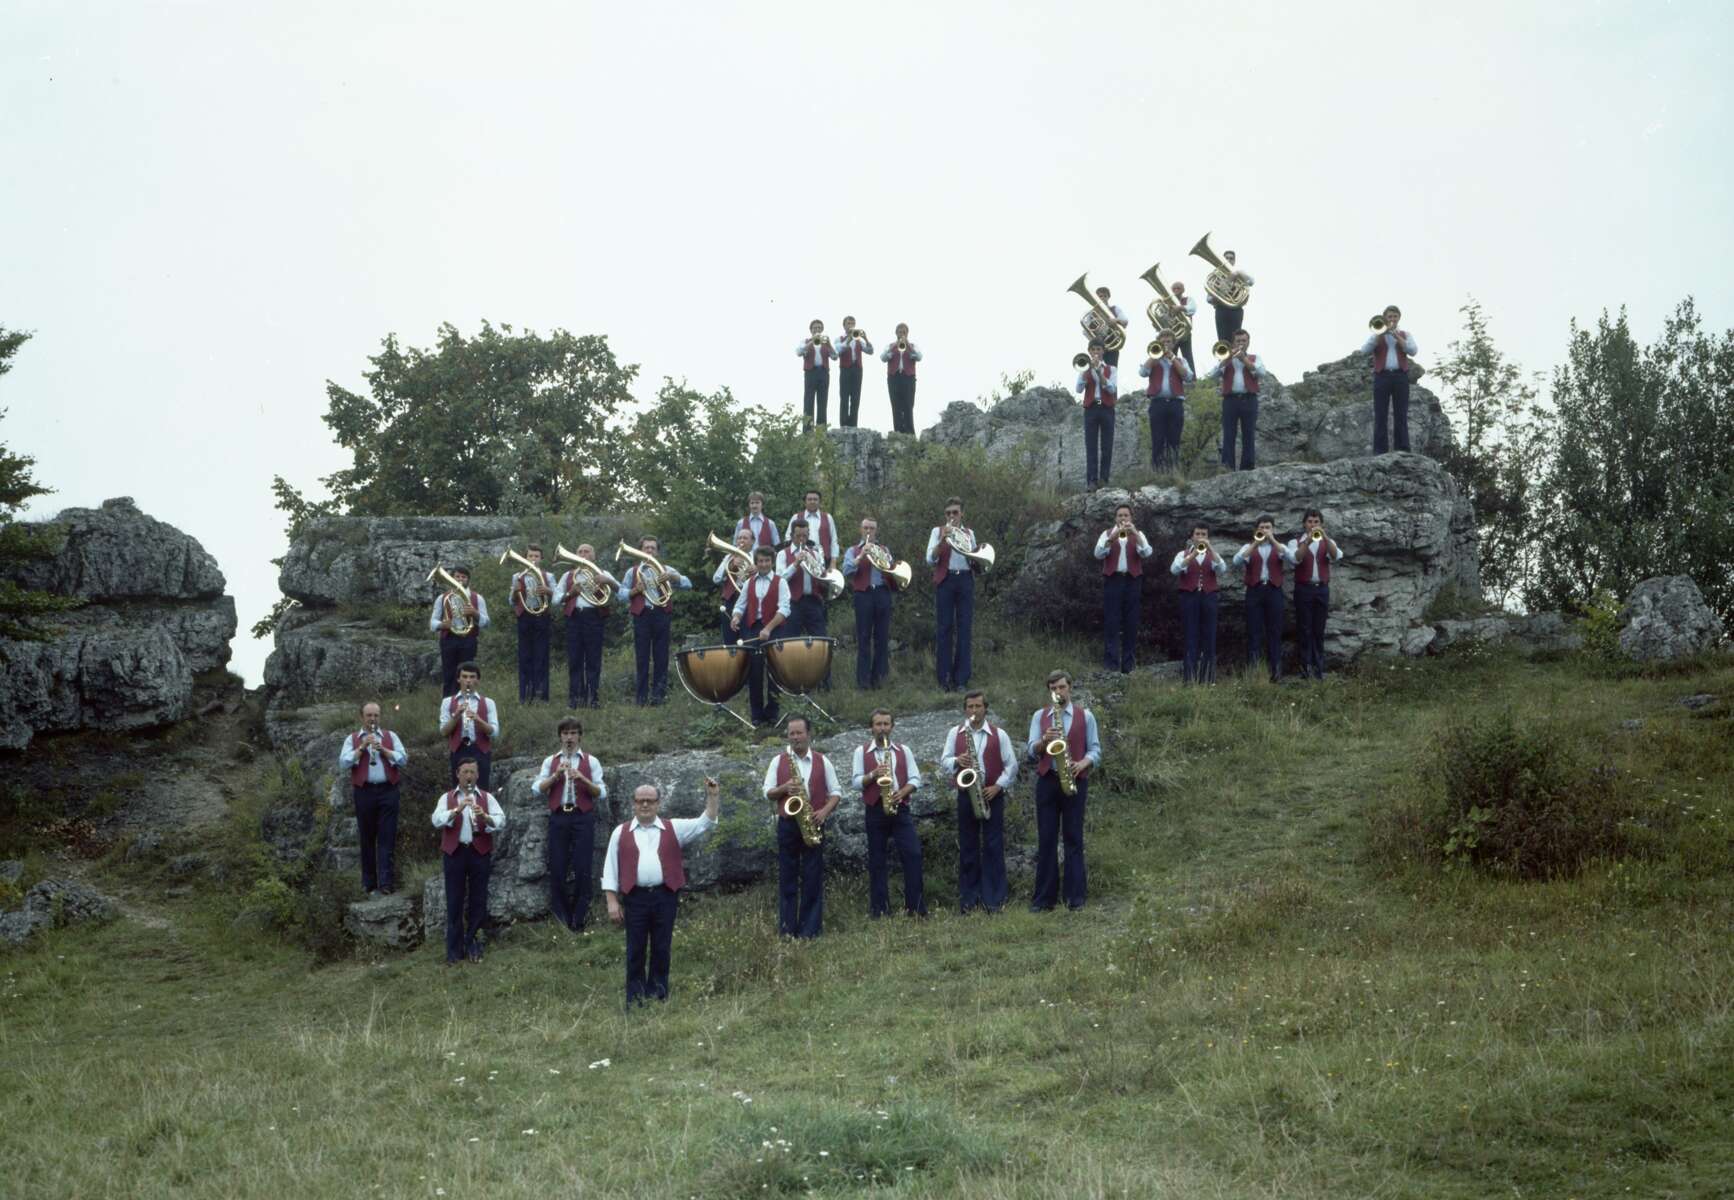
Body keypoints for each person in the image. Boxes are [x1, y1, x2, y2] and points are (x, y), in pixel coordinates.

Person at [602, 778, 720, 1006]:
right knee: (635, 948)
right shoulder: (620, 832)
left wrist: (713, 796)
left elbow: (706, 821)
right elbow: (610, 868)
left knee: (661, 946)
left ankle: (657, 994)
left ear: (658, 804)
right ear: (633, 804)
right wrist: (612, 901)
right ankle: (635, 998)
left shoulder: (674, 828)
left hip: (665, 896)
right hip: (634, 897)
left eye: (650, 801)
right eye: (640, 801)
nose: (645, 805)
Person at [1027, 671, 1100, 912]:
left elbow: (1095, 750)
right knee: (1046, 839)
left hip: (1075, 779)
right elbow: (1031, 751)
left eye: (1061, 687)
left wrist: (1082, 764)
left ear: (1070, 687)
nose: (1058, 692)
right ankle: (1044, 900)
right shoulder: (1040, 716)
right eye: (1053, 688)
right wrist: (1042, 742)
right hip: (1048, 780)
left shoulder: (1085, 716)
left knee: (1073, 838)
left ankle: (1075, 899)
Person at [762, 716, 841, 939]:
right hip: (787, 824)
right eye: (791, 734)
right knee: (787, 878)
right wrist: (784, 787)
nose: (795, 737)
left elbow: (836, 793)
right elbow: (767, 792)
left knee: (812, 877)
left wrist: (824, 812)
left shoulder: (822, 761)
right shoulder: (778, 761)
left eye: (799, 733)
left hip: (813, 823)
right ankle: (787, 930)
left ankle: (810, 930)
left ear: (809, 734)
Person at [941, 691, 1017, 914]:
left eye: (978, 706)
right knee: (968, 847)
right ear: (965, 710)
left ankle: (994, 900)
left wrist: (998, 786)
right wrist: (957, 761)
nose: (974, 711)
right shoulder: (955, 733)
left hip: (991, 793)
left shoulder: (999, 734)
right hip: (966, 794)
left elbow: (1011, 765)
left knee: (993, 846)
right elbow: (944, 761)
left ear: (986, 708)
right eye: (970, 707)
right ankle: (969, 900)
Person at [533, 717, 607, 932]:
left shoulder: (591, 761)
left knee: (583, 867)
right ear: (560, 737)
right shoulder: (551, 761)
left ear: (580, 736)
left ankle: (579, 918)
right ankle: (562, 917)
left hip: (582, 817)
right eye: (565, 733)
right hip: (559, 817)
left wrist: (583, 779)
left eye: (573, 733)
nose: (569, 737)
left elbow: (601, 793)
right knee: (557, 867)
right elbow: (537, 788)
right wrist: (556, 775)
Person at [850, 708, 926, 919]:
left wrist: (901, 792)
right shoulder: (861, 752)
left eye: (885, 724)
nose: (882, 728)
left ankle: (916, 909)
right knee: (877, 861)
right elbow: (856, 783)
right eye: (878, 724)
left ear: (892, 727)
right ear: (871, 728)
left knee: (913, 855)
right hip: (874, 809)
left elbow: (916, 779)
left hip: (900, 808)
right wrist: (874, 774)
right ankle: (880, 911)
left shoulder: (903, 750)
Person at [431, 755, 505, 965]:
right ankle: (453, 952)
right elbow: (436, 820)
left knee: (478, 901)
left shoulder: (487, 798)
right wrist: (457, 810)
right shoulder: (447, 798)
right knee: (454, 901)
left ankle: (474, 946)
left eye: (472, 772)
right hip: (454, 853)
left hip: (479, 852)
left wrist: (485, 817)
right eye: (465, 772)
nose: (469, 776)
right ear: (457, 774)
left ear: (478, 774)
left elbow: (501, 820)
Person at [337, 700, 408, 896]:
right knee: (367, 837)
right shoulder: (352, 739)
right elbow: (343, 763)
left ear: (380, 717)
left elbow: (403, 759)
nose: (373, 719)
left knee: (387, 836)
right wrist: (362, 747)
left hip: (388, 791)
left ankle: (386, 883)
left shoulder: (390, 736)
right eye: (369, 715)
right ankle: (368, 883)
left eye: (376, 715)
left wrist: (383, 750)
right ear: (362, 717)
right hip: (364, 791)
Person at [618, 536, 692, 706]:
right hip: (641, 615)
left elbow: (688, 583)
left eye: (652, 548)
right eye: (646, 548)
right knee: (642, 657)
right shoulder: (633, 571)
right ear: (640, 550)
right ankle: (641, 698)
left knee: (661, 657)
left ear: (657, 551)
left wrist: (673, 578)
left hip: (661, 614)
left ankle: (659, 697)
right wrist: (635, 590)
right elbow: (620, 595)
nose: (649, 551)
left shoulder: (666, 569)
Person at [552, 542, 618, 710]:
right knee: (574, 660)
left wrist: (608, 581)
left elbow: (620, 590)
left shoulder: (602, 573)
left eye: (587, 551)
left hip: (594, 617)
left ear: (593, 556)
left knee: (593, 660)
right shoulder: (568, 575)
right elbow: (554, 599)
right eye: (580, 551)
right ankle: (575, 699)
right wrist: (570, 594)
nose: (583, 554)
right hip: (574, 617)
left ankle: (593, 698)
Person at [1232, 516, 1297, 682]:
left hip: (1274, 590)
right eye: (1262, 527)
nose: (1265, 530)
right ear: (1256, 529)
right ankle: (1254, 674)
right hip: (1254, 590)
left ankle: (1276, 674)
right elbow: (1236, 561)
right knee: (1254, 633)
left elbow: (1293, 559)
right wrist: (1255, 542)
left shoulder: (1279, 546)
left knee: (1274, 633)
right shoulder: (1248, 546)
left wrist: (1272, 540)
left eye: (1268, 527)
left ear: (1273, 529)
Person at [925, 498, 979, 692]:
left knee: (965, 629)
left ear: (962, 514)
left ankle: (962, 680)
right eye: (948, 513)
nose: (951, 516)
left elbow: (974, 559)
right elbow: (930, 559)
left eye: (955, 512)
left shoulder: (969, 533)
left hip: (965, 580)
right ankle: (944, 679)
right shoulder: (936, 531)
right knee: (944, 629)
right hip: (945, 580)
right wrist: (943, 539)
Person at [731, 545, 790, 726]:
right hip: (753, 628)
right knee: (754, 673)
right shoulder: (749, 582)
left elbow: (785, 609)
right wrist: (735, 617)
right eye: (760, 561)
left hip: (774, 628)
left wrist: (769, 629)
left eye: (767, 561)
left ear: (772, 562)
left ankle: (772, 714)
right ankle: (756, 715)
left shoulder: (781, 582)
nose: (763, 564)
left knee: (774, 672)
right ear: (756, 563)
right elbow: (741, 605)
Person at [1094, 504, 1153, 673]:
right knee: (1111, 622)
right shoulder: (1106, 534)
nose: (1123, 518)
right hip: (1113, 580)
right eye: (1120, 515)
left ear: (1131, 518)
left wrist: (1135, 534)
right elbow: (1098, 554)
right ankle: (1111, 666)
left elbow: (1147, 553)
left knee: (1131, 622)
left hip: (1133, 580)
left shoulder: (1138, 534)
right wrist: (1112, 537)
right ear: (1115, 518)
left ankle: (1129, 666)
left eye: (1126, 515)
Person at [1288, 510, 1344, 681]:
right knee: (1304, 629)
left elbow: (1336, 556)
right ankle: (1305, 669)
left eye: (1317, 522)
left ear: (1322, 524)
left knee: (1318, 630)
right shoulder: (1294, 542)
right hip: (1303, 589)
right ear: (1304, 524)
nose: (1313, 525)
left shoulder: (1328, 541)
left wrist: (1325, 538)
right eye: (1310, 522)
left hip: (1321, 589)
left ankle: (1319, 670)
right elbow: (1295, 559)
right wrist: (1308, 541)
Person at [1202, 329, 1269, 471]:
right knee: (1228, 434)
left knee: (1249, 434)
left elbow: (1262, 372)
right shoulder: (1226, 358)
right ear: (1233, 342)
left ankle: (1248, 467)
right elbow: (1211, 375)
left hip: (1249, 399)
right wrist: (1225, 361)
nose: (1241, 343)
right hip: (1230, 400)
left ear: (1248, 342)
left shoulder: (1255, 357)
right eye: (1238, 341)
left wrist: (1244, 359)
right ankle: (1227, 466)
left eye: (1243, 341)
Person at [842, 517, 895, 689]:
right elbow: (846, 570)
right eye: (865, 528)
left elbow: (892, 570)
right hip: (863, 594)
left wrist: (884, 561)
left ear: (876, 531)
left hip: (881, 593)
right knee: (864, 638)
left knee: (882, 637)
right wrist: (862, 555)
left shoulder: (884, 549)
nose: (868, 531)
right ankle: (863, 683)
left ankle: (880, 679)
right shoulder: (853, 550)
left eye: (871, 528)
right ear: (860, 529)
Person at [1170, 525, 1227, 683]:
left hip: (1209, 597)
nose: (1200, 537)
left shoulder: (1212, 554)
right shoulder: (1182, 554)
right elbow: (1174, 569)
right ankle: (1189, 678)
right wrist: (1193, 554)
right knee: (1190, 636)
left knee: (1209, 636)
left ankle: (1208, 678)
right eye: (1198, 534)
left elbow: (1222, 568)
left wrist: (1210, 549)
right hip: (1189, 597)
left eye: (1204, 534)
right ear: (1192, 537)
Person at [1361, 306, 1419, 453]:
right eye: (1389, 317)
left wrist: (1397, 336)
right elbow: (1364, 351)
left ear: (1398, 318)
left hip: (1401, 376)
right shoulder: (1376, 335)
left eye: (1395, 316)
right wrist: (1379, 336)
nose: (1392, 319)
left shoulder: (1405, 334)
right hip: (1382, 376)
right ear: (1384, 318)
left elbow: (1413, 351)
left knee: (1401, 413)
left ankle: (1403, 449)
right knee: (1380, 414)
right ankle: (1380, 451)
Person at [430, 564, 489, 698]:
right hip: (448, 639)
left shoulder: (477, 598)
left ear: (468, 580)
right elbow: (432, 623)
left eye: (463, 577)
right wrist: (442, 625)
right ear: (452, 578)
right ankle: (448, 705)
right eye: (457, 577)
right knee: (449, 674)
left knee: (467, 674)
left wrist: (475, 613)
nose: (460, 579)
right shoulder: (442, 598)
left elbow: (486, 622)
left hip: (469, 640)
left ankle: (467, 703)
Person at [439, 662, 499, 790]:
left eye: (472, 677)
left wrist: (478, 720)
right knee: (459, 790)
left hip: (480, 750)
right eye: (465, 677)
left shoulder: (488, 702)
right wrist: (456, 716)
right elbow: (444, 732)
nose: (468, 681)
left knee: (482, 790)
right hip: (458, 750)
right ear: (458, 679)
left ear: (477, 680)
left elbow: (494, 732)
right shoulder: (447, 702)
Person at [1140, 333, 1194, 472]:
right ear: (1158, 343)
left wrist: (1173, 359)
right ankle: (1157, 472)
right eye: (1163, 342)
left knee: (1174, 439)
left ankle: (1174, 471)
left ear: (1173, 344)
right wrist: (1153, 357)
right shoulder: (1154, 361)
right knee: (1157, 439)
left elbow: (1188, 377)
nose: (1166, 344)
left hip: (1175, 404)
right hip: (1157, 404)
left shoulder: (1181, 360)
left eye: (1169, 342)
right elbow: (1142, 372)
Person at [511, 545, 555, 704]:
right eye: (530, 556)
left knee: (541, 657)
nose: (533, 559)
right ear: (525, 558)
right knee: (524, 657)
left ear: (541, 559)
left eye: (536, 556)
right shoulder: (517, 576)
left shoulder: (548, 576)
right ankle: (525, 695)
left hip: (541, 617)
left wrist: (548, 591)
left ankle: (542, 695)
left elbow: (557, 598)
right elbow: (511, 601)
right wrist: (515, 591)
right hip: (524, 617)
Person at [776, 516, 830, 641]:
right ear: (791, 535)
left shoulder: (815, 554)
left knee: (820, 639)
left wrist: (824, 577)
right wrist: (795, 563)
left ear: (808, 534)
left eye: (805, 536)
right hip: (792, 603)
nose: (801, 539)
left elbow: (822, 577)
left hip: (813, 601)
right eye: (798, 535)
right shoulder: (782, 554)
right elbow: (779, 580)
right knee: (789, 640)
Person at [1075, 341, 1118, 489]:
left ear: (1103, 351)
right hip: (1091, 408)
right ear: (1088, 351)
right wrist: (1086, 372)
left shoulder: (1111, 369)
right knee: (1091, 446)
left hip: (1106, 407)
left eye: (1098, 349)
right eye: (1093, 350)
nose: (1095, 352)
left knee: (1107, 446)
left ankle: (1104, 480)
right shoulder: (1085, 369)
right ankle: (1091, 481)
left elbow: (1112, 390)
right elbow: (1078, 389)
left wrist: (1099, 372)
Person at [710, 529, 755, 646]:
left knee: (748, 638)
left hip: (750, 602)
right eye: (739, 538)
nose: (741, 540)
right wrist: (731, 565)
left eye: (745, 538)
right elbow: (716, 579)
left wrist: (756, 571)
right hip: (731, 600)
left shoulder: (756, 558)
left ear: (752, 542)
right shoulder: (729, 557)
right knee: (730, 639)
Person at [1206, 249, 1255, 344]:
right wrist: (1229, 280)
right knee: (1222, 340)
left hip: (1236, 310)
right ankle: (1225, 358)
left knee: (1236, 339)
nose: (1229, 260)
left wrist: (1237, 274)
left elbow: (1251, 282)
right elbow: (1208, 299)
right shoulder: (1216, 275)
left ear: (1234, 261)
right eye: (1226, 258)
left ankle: (1237, 357)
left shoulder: (1239, 273)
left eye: (1231, 258)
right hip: (1221, 310)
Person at [881, 324, 921, 435]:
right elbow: (883, 357)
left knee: (908, 404)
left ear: (907, 333)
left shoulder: (913, 345)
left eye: (904, 332)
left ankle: (909, 432)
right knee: (895, 405)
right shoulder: (890, 346)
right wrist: (895, 346)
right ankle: (898, 432)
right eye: (900, 331)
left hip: (908, 378)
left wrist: (907, 344)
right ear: (896, 333)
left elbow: (919, 356)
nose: (902, 333)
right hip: (893, 378)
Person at [796, 318, 835, 429]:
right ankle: (807, 430)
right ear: (811, 330)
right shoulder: (805, 341)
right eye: (815, 328)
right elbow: (798, 352)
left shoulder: (825, 342)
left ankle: (821, 429)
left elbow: (835, 357)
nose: (817, 330)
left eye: (819, 328)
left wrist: (830, 344)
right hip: (810, 373)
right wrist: (811, 342)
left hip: (823, 372)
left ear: (822, 329)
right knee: (809, 400)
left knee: (823, 401)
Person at [835, 318, 873, 428]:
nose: (851, 325)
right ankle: (844, 423)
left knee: (856, 397)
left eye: (852, 323)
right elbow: (839, 350)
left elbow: (870, 351)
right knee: (844, 397)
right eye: (848, 323)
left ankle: (853, 424)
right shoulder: (839, 339)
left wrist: (865, 338)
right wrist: (848, 339)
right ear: (844, 326)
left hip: (857, 369)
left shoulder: (859, 340)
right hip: (845, 369)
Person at [787, 488, 839, 569]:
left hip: (824, 561)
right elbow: (788, 538)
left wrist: (833, 562)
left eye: (815, 499)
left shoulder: (828, 518)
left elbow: (834, 541)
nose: (812, 501)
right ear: (805, 502)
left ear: (819, 502)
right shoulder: (796, 517)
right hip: (801, 559)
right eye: (809, 499)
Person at [1090, 285, 1130, 368]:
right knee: (1096, 370)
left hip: (1112, 347)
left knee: (1111, 370)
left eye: (1105, 296)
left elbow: (1125, 321)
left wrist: (1116, 321)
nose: (1103, 298)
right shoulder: (1092, 313)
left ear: (1108, 297)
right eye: (1100, 296)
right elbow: (1086, 331)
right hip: (1097, 348)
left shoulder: (1115, 309)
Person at [1169, 280, 1199, 371]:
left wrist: (1180, 308)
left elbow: (1192, 309)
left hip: (1185, 332)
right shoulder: (1166, 302)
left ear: (1183, 290)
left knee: (1188, 356)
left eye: (1178, 288)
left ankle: (1192, 380)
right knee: (1171, 357)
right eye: (1174, 288)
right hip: (1171, 334)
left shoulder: (1188, 299)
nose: (1176, 290)